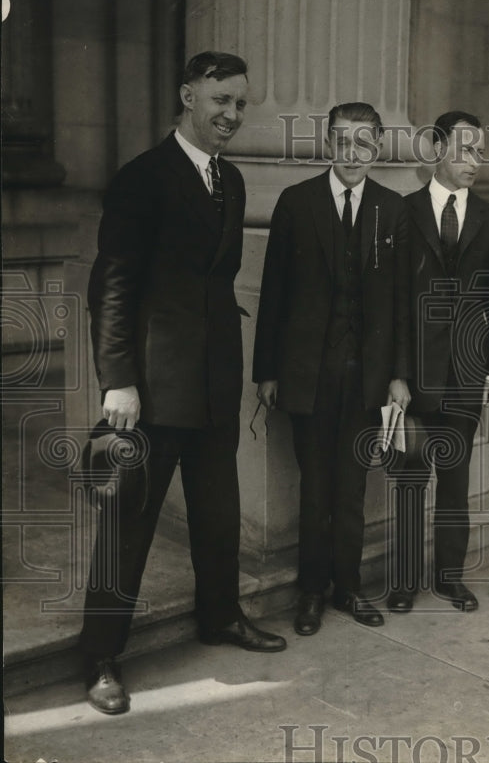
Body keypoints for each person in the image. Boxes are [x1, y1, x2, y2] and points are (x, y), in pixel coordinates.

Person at [82, 51, 286, 716]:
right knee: (130, 523)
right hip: (153, 385)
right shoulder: (143, 178)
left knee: (218, 511)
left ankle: (220, 617)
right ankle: (102, 657)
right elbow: (111, 287)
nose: (231, 114)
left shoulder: (230, 179)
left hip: (214, 380)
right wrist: (118, 380)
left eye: (240, 105)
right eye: (221, 100)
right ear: (188, 95)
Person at [252, 102, 411, 636]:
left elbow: (403, 304)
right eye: (342, 139)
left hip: (366, 378)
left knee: (352, 490)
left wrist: (398, 376)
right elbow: (273, 292)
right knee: (316, 489)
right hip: (307, 375)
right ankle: (311, 594)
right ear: (328, 143)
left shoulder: (394, 210)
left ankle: (349, 587)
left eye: (364, 140)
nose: (352, 150)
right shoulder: (297, 203)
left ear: (378, 147)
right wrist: (267, 371)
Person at [388, 111, 489, 614]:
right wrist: (394, 374)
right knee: (411, 479)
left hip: (466, 372)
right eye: (462, 150)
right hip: (414, 374)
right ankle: (403, 582)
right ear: (436, 150)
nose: (473, 162)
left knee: (456, 482)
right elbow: (390, 300)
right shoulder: (402, 212)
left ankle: (450, 578)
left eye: (479, 152)